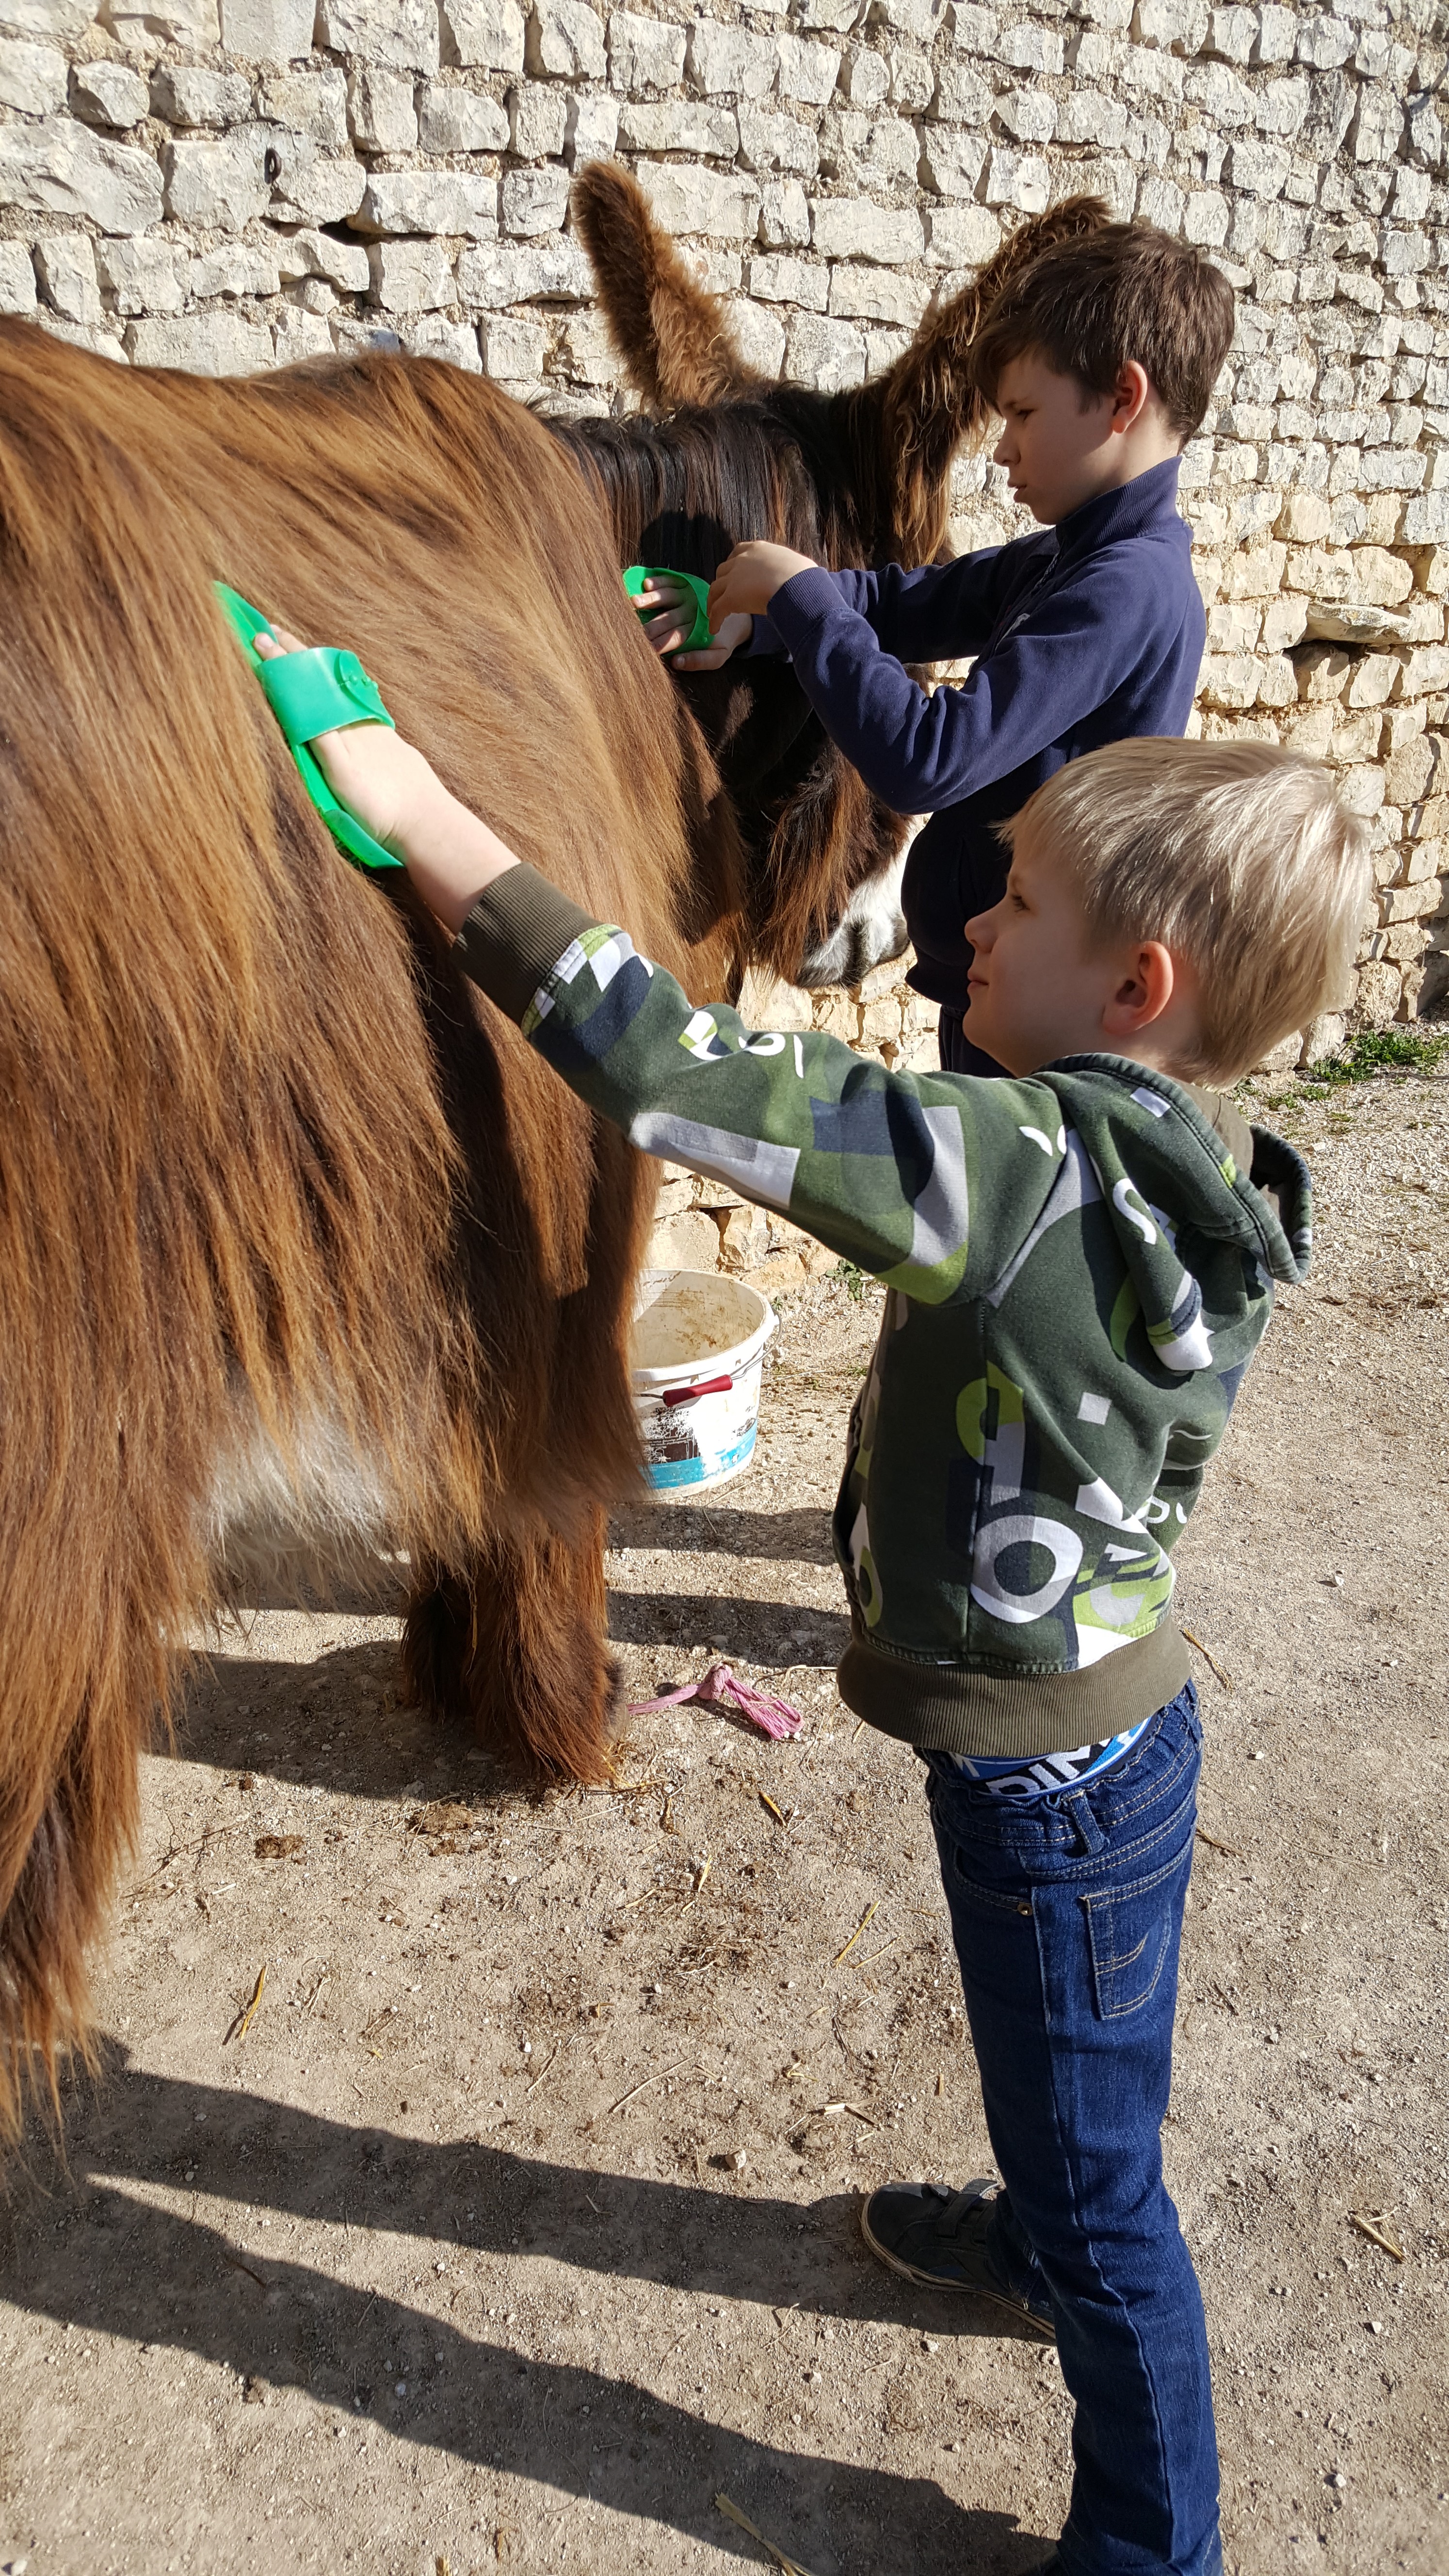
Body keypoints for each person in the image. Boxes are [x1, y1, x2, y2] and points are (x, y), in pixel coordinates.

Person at [252, 628, 1367, 2574]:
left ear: (1138, 984)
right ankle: (1043, 2213)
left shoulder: (1023, 1169)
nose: (967, 935)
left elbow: (694, 1077)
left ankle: (1152, 2539)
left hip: (1056, 1787)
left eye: (1013, 903)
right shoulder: (1196, 1167)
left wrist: (428, 816)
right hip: (1116, 1736)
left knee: (1120, 2201)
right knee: (1085, 2091)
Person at [640, 218, 1236, 1077]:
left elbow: (929, 758)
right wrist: (758, 621)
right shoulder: (1069, 557)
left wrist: (801, 593)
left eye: (1024, 413)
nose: (1002, 450)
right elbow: (906, 600)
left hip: (1052, 1026)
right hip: (1002, 992)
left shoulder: (1126, 589)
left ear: (1122, 398)